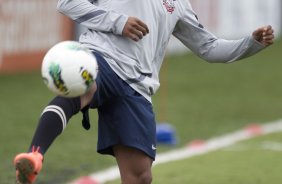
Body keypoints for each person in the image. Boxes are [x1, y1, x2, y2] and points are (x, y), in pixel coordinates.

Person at [13, 0, 274, 184]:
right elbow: (67, 3)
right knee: (84, 87)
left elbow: (209, 48)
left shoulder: (178, 4)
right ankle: (35, 154)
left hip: (137, 86)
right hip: (101, 57)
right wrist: (118, 22)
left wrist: (251, 43)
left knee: (140, 176)